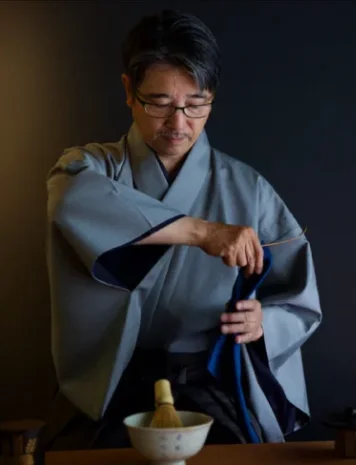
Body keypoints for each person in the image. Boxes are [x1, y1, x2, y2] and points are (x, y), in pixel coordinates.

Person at [40, 9, 322, 450]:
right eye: (160, 102)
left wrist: (264, 321)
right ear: (129, 92)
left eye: (196, 104)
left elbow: (298, 299)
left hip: (208, 381)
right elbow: (69, 201)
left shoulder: (249, 190)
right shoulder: (92, 167)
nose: (179, 123)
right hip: (109, 384)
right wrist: (200, 232)